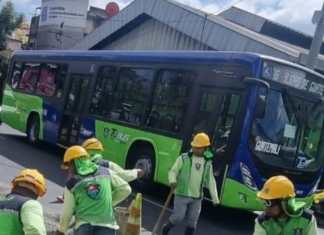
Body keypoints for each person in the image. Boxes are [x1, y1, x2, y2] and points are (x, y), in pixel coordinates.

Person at [57, 145, 132, 235]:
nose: (69, 170)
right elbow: (126, 189)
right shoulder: (106, 172)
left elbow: (67, 213)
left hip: (84, 227)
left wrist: (61, 230)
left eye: (69, 166)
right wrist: (108, 202)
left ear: (75, 163)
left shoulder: (72, 183)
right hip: (107, 227)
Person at [162, 132, 219, 235]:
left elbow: (211, 180)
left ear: (205, 148)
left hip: (197, 197)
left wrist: (215, 198)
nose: (195, 149)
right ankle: (166, 228)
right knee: (178, 217)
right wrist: (172, 181)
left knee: (193, 221)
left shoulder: (207, 162)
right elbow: (173, 171)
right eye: (194, 146)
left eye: (199, 147)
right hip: (182, 194)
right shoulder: (183, 158)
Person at [253, 175, 318, 235]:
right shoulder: (262, 222)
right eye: (264, 202)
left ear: (285, 203)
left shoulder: (307, 219)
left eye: (269, 203)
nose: (266, 208)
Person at [0, 169, 47, 235]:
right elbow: (35, 231)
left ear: (16, 184)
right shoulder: (31, 205)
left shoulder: (2, 201)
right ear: (38, 190)